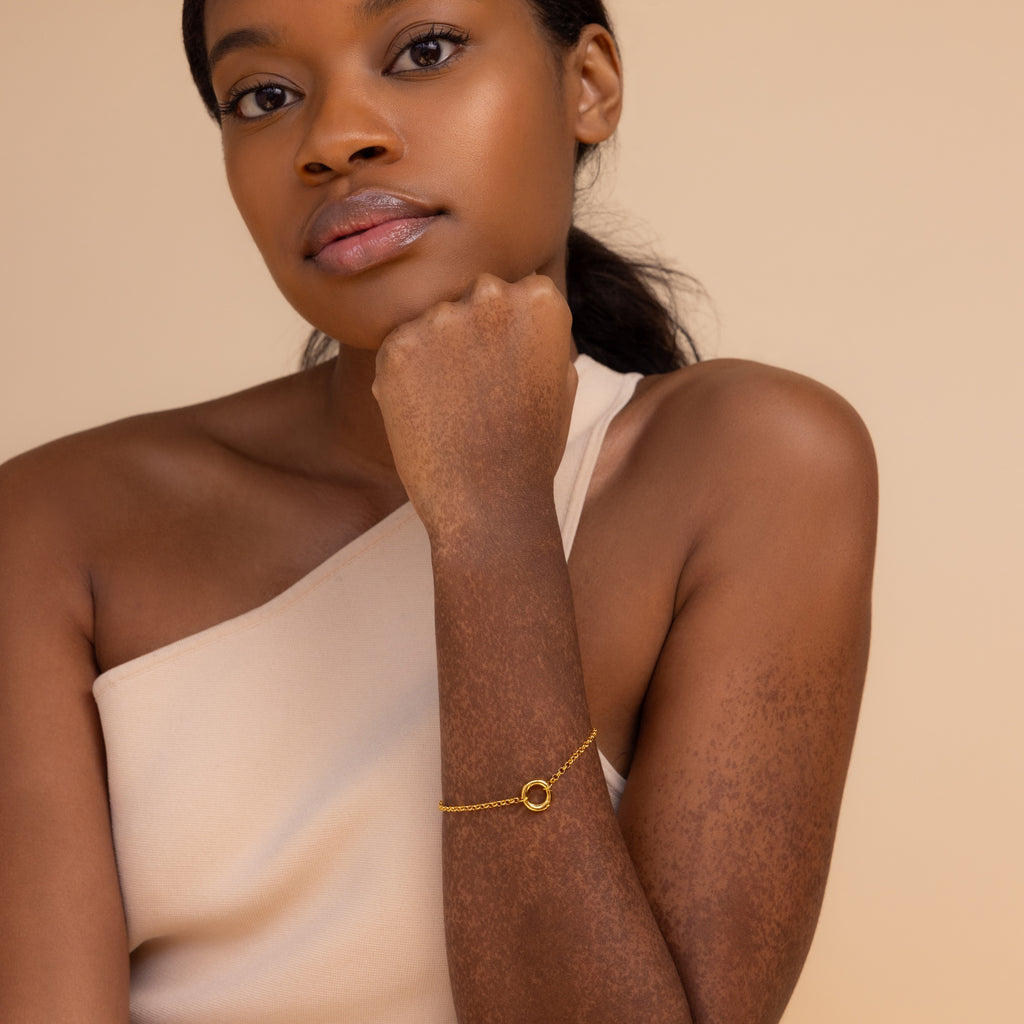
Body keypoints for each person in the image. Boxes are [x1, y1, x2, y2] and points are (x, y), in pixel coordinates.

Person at [0, 1, 878, 1021]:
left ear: (586, 84)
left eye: (423, 50)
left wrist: (492, 525)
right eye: (265, 95)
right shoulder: (52, 530)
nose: (334, 139)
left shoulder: (751, 468)